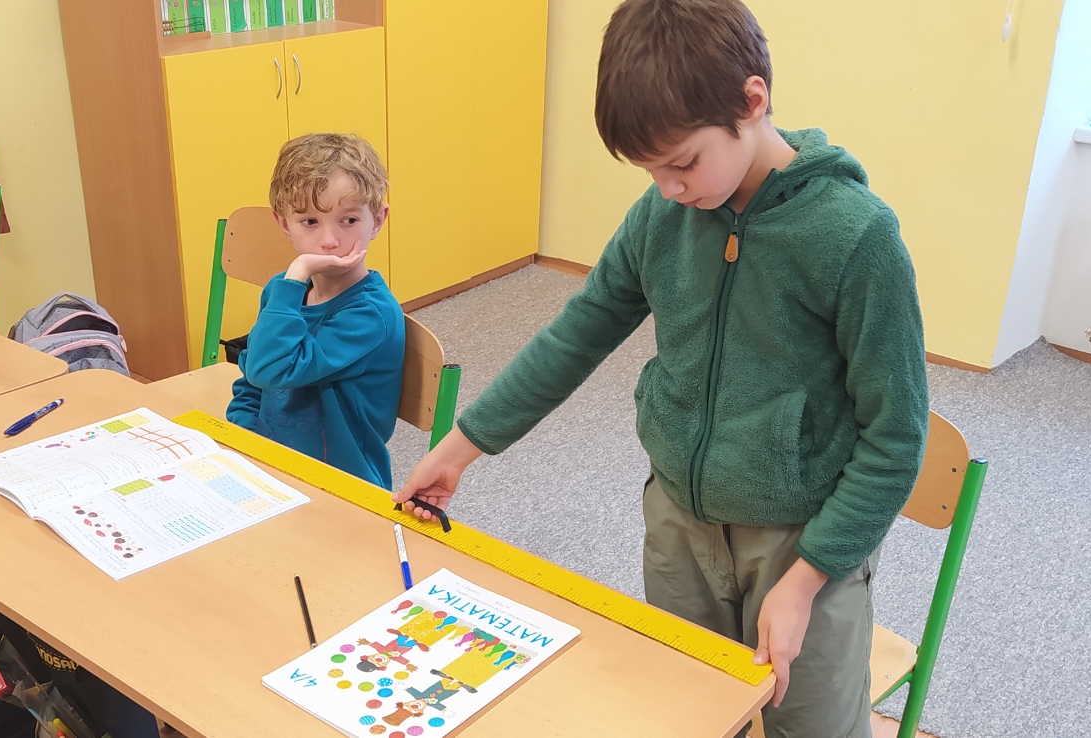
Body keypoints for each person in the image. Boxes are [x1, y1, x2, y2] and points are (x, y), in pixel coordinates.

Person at [392, 1, 930, 735]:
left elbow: (896, 439)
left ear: (752, 101)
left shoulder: (856, 237)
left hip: (804, 544)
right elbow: (577, 333)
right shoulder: (662, 214)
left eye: (682, 163)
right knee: (685, 713)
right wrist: (461, 447)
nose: (669, 188)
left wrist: (806, 580)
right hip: (680, 525)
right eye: (650, 169)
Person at [227, 133, 405, 489]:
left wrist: (297, 272)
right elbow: (252, 378)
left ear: (377, 220)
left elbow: (270, 369)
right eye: (309, 222)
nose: (329, 241)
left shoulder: (370, 315)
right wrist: (243, 436)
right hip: (273, 468)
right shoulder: (284, 292)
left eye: (348, 220)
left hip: (340, 486)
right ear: (284, 223)